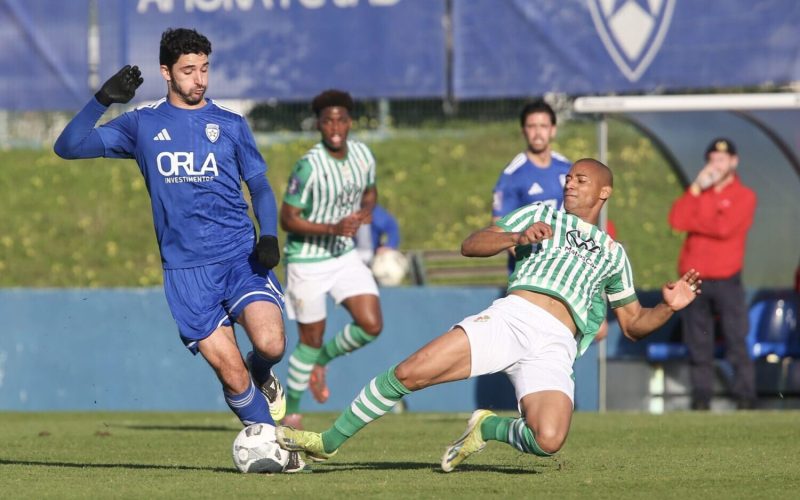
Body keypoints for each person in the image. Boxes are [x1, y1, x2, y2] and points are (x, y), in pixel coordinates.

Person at [276, 158, 701, 471]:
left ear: (604, 192)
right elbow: (471, 244)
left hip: (555, 344)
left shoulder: (613, 254)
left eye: (581, 180)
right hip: (511, 318)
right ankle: (329, 441)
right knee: (410, 373)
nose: (570, 183)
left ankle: (489, 428)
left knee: (549, 439)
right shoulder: (540, 214)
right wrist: (516, 237)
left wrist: (668, 306)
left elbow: (633, 324)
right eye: (569, 178)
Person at [53, 28, 304, 472]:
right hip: (186, 272)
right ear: (166, 73)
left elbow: (260, 185)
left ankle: (263, 371)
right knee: (230, 373)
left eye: (204, 68)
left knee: (271, 343)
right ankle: (276, 447)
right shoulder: (142, 124)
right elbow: (68, 146)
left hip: (239, 257)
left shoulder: (230, 124)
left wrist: (268, 235)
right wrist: (102, 99)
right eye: (189, 70)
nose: (199, 79)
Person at [279, 89, 383, 429]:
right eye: (327, 121)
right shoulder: (308, 166)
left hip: (343, 256)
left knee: (371, 324)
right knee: (310, 339)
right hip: (307, 260)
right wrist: (333, 227)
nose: (335, 127)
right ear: (318, 125)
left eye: (341, 120)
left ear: (350, 122)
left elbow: (370, 192)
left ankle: (321, 361)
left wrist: (364, 213)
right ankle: (292, 415)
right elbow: (287, 218)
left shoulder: (363, 155)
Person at [668, 138, 757, 411]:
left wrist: (697, 221)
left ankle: (745, 397)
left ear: (733, 162)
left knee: (735, 339)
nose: (715, 166)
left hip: (726, 277)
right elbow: (676, 220)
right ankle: (701, 398)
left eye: (721, 160)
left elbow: (724, 228)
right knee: (697, 341)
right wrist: (695, 189)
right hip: (694, 279)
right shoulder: (697, 193)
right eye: (711, 160)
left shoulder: (744, 195)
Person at [492, 99, 572, 273]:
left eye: (543, 126)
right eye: (531, 126)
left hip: (565, 267)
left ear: (553, 130)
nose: (537, 133)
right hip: (530, 272)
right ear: (523, 131)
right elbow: (500, 226)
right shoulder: (512, 174)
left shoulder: (567, 168)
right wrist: (532, 263)